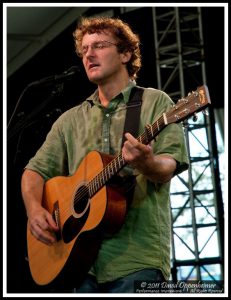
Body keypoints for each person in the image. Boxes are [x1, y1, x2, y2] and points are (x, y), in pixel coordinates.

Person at [21, 16, 189, 293]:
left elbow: (167, 165)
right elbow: (34, 171)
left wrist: (147, 163)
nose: (89, 54)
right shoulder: (69, 120)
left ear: (125, 54)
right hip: (78, 263)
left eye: (99, 45)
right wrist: (34, 210)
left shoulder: (156, 102)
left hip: (137, 259)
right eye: (84, 49)